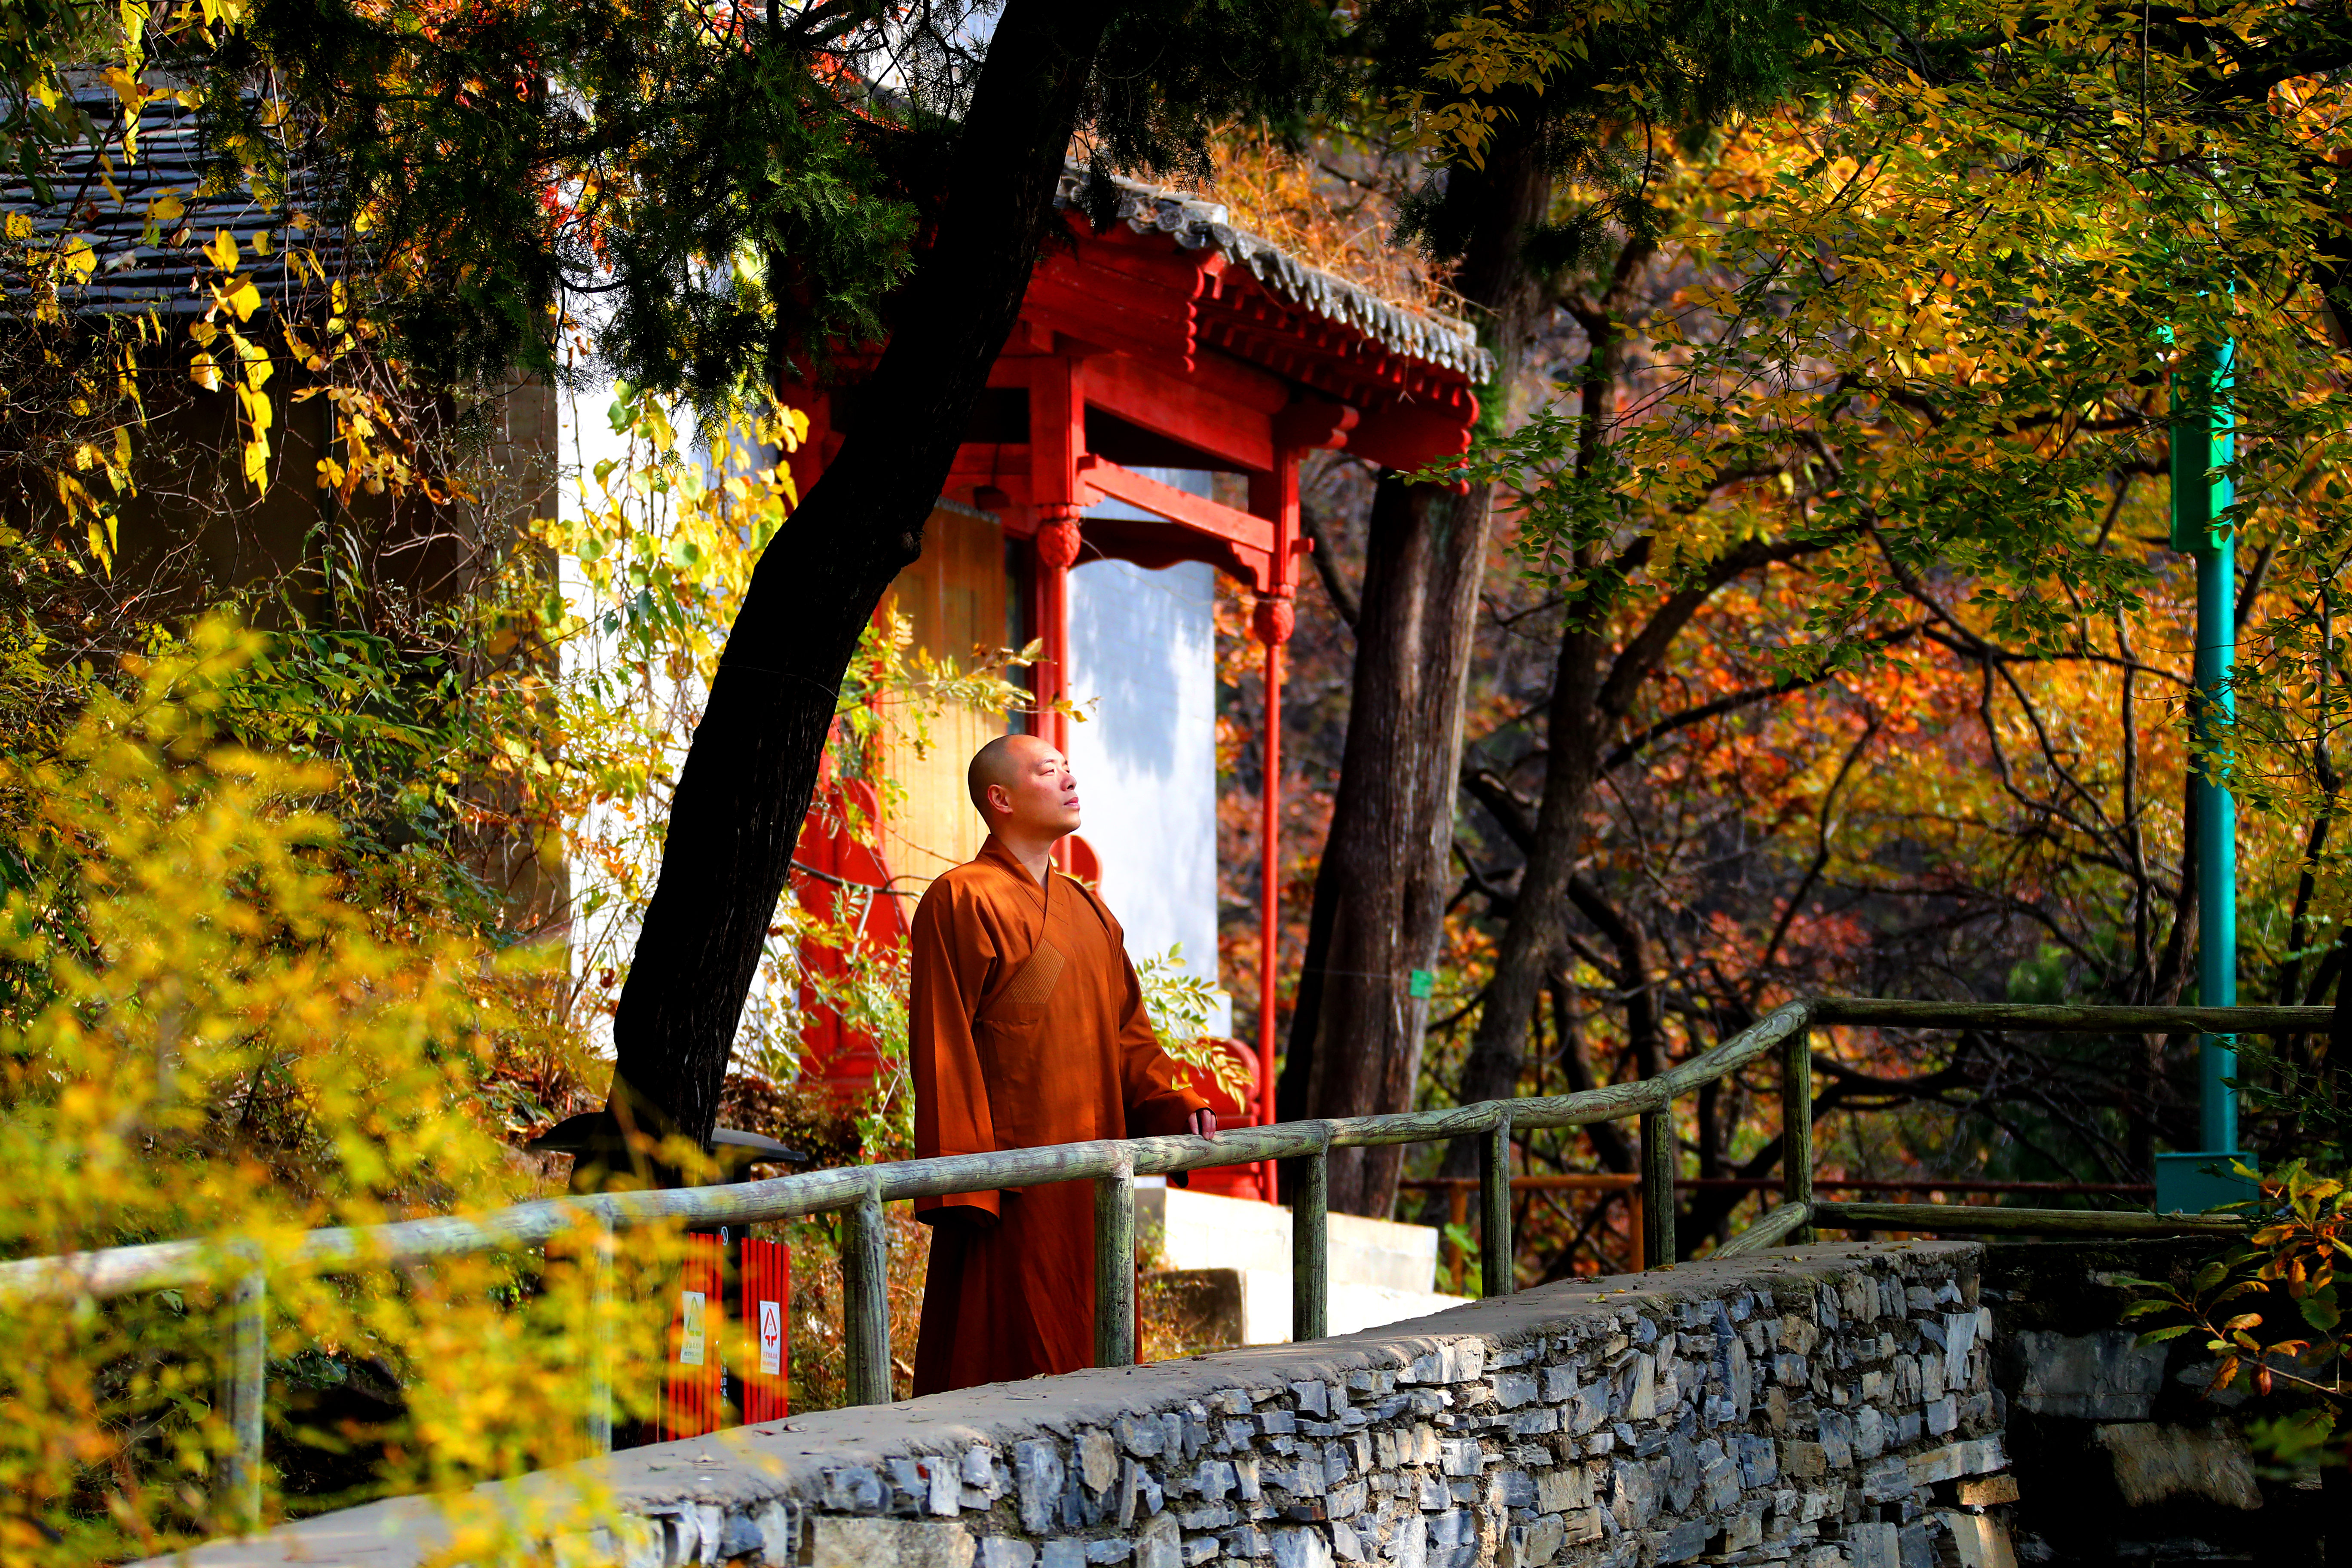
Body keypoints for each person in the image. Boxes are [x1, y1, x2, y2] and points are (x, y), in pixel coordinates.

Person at [907, 732, 1218, 1393]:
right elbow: (943, 1043)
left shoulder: (1087, 911)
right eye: (1050, 771)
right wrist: (965, 1176)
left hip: (1094, 1178)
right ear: (1002, 799)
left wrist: (1173, 1101)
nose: (1070, 780)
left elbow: (1129, 1034)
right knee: (998, 1356)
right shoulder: (961, 898)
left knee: (1097, 1347)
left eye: (1069, 769)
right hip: (1011, 1179)